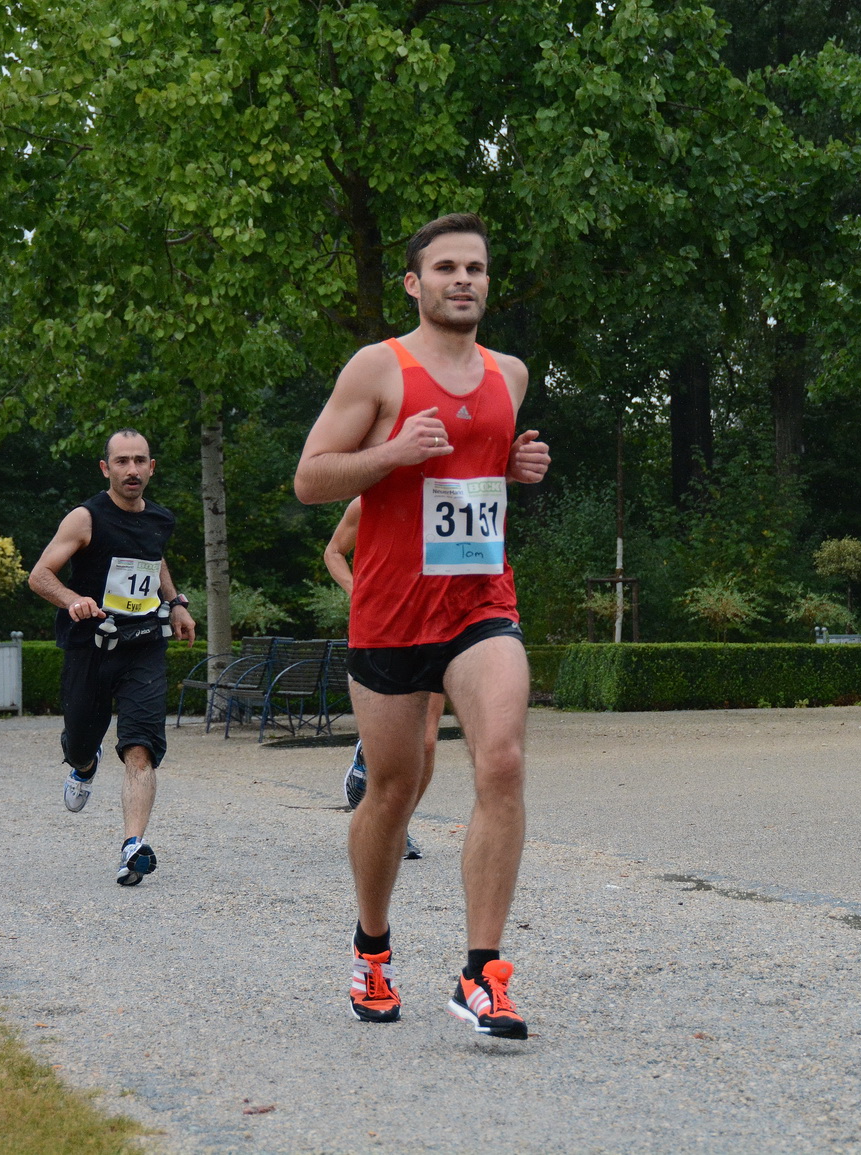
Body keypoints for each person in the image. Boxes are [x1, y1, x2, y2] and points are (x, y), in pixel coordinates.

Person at [294, 212, 550, 1037]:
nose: (463, 279)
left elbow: (476, 468)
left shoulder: (510, 374)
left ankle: (482, 973)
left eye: (475, 267)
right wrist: (392, 453)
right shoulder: (379, 368)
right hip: (393, 612)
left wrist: (513, 467)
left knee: (502, 762)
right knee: (394, 789)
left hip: (481, 604)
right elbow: (310, 479)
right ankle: (372, 948)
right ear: (414, 283)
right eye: (446, 267)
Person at [28, 430, 197, 885]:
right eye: (122, 461)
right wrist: (73, 600)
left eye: (140, 461)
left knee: (141, 748)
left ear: (151, 468)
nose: (132, 470)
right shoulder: (85, 518)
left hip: (143, 645)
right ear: (106, 469)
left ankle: (132, 846)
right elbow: (40, 575)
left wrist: (175, 602)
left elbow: (154, 559)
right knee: (80, 744)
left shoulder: (160, 519)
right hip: (90, 648)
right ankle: (84, 765)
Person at [324, 497, 435, 858]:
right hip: (382, 629)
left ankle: (398, 827)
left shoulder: (446, 496)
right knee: (395, 741)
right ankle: (367, 756)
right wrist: (359, 592)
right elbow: (334, 552)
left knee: (426, 741)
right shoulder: (367, 503)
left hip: (434, 625)